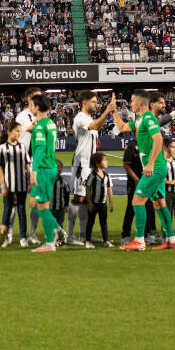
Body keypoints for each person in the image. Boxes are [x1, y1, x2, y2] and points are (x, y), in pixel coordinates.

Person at [109, 90, 175, 251]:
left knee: (137, 200)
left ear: (140, 103)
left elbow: (158, 139)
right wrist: (113, 112)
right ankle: (171, 240)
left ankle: (139, 240)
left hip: (156, 168)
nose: (130, 103)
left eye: (131, 101)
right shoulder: (141, 119)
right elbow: (123, 127)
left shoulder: (148, 118)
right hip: (159, 167)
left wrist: (150, 163)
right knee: (159, 204)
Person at [68, 90, 109, 246]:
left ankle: (85, 235)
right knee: (78, 200)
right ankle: (70, 235)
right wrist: (107, 111)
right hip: (81, 165)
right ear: (84, 103)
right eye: (93, 101)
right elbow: (94, 126)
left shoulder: (89, 118)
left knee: (85, 202)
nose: (96, 104)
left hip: (88, 165)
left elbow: (97, 126)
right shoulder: (80, 118)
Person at [27, 93, 65, 253]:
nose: (30, 107)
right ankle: (57, 229)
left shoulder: (40, 126)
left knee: (42, 205)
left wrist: (33, 171)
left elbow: (41, 148)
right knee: (34, 203)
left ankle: (50, 242)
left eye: (31, 105)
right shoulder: (49, 123)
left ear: (37, 107)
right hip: (51, 167)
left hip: (42, 168)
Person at [0, 120, 31, 248]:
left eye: (20, 131)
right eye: (17, 131)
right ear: (9, 132)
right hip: (9, 185)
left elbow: (27, 165)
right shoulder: (2, 149)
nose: (19, 133)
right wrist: (2, 185)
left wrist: (30, 179)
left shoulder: (22, 147)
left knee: (22, 211)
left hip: (22, 184)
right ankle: (4, 238)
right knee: (7, 211)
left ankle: (23, 237)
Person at [17, 87, 43, 245]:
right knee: (16, 201)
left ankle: (32, 233)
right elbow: (32, 128)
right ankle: (13, 234)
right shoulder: (24, 115)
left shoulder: (37, 116)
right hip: (21, 163)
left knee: (36, 199)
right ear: (29, 99)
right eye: (38, 98)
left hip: (34, 162)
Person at [85, 152, 113, 249]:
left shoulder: (107, 175)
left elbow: (109, 189)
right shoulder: (92, 175)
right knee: (90, 222)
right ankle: (88, 241)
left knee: (104, 222)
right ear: (97, 163)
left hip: (103, 203)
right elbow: (87, 188)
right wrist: (89, 202)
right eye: (104, 160)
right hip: (94, 203)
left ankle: (106, 240)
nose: (106, 162)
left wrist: (111, 203)